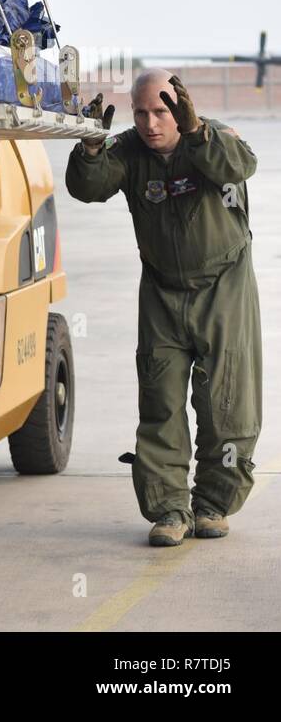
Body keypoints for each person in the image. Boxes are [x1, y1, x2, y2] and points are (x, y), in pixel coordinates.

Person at [66, 71, 261, 547]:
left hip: (224, 288)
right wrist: (91, 146)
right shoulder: (131, 151)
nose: (152, 123)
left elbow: (239, 166)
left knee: (227, 403)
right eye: (142, 112)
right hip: (161, 293)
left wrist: (197, 135)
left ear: (180, 110)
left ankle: (214, 503)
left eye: (162, 111)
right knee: (160, 401)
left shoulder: (212, 137)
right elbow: (87, 187)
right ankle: (170, 509)